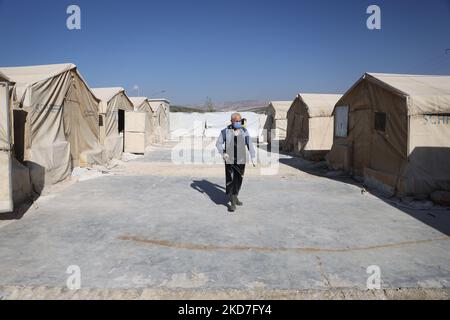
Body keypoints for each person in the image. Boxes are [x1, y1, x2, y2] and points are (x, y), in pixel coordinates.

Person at [216, 113, 256, 212]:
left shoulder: (244, 131)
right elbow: (218, 143)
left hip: (241, 159)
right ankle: (233, 203)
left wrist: (253, 155)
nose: (239, 122)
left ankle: (235, 196)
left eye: (240, 120)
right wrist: (223, 153)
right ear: (232, 121)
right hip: (229, 159)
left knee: (239, 179)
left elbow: (249, 143)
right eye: (236, 121)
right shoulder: (225, 131)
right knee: (231, 179)